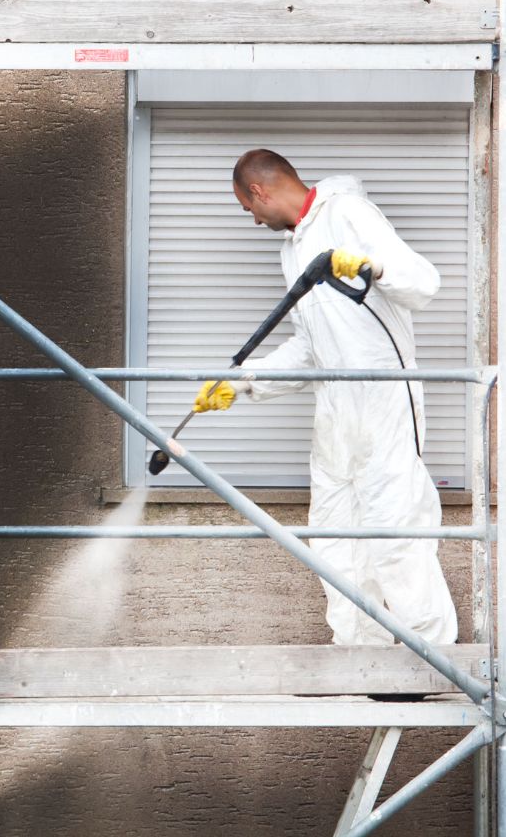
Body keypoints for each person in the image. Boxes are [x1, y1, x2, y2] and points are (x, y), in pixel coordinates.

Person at [192, 149, 457, 646]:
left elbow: (424, 282)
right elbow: (312, 348)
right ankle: (362, 658)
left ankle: (433, 659)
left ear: (259, 191)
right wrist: (244, 380)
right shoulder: (292, 250)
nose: (252, 220)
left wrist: (373, 267)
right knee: (335, 536)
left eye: (247, 208)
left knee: (396, 532)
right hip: (335, 411)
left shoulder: (348, 213)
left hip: (383, 400)